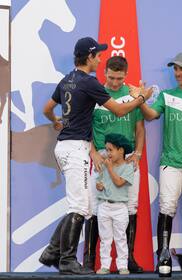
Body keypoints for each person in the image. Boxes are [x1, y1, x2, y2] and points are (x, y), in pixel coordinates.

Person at [39, 37, 152, 275]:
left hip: (65, 146)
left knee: (84, 206)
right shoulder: (88, 83)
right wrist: (142, 97)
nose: (100, 59)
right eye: (97, 55)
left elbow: (47, 109)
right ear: (89, 57)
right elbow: (120, 110)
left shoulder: (66, 79)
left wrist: (57, 122)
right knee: (80, 206)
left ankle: (52, 250)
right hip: (77, 147)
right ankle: (67, 260)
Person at [137, 52, 182, 261]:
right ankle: (163, 253)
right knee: (167, 207)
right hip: (170, 162)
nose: (178, 73)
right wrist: (141, 100)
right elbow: (151, 115)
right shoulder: (166, 96)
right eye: (175, 69)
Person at [83, 56, 144, 273]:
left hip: (127, 159)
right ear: (104, 73)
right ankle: (90, 261)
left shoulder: (133, 94)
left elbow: (139, 128)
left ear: (125, 75)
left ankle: (128, 260)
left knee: (131, 207)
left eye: (119, 78)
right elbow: (85, 128)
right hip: (101, 156)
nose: (115, 82)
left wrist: (137, 153)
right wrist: (93, 153)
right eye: (111, 77)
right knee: (95, 207)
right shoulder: (95, 93)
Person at [95, 134, 134, 275]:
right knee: (105, 239)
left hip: (120, 208)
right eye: (106, 150)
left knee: (120, 238)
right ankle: (105, 265)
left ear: (121, 150)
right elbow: (100, 181)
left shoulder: (128, 167)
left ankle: (122, 265)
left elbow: (118, 182)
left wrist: (110, 168)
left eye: (111, 150)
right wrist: (99, 185)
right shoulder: (105, 166)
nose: (107, 153)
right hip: (104, 206)